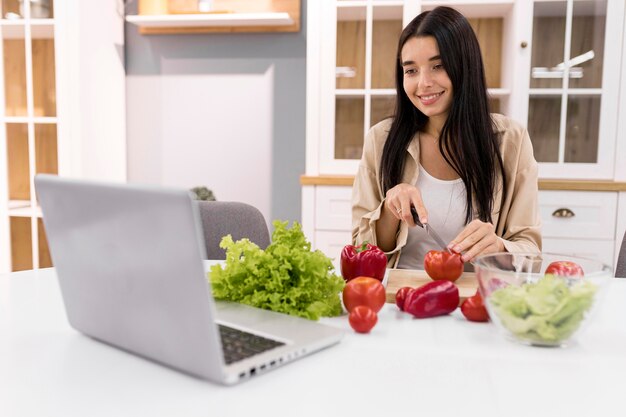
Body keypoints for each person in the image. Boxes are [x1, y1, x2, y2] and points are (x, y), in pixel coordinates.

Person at [351, 6, 541, 269]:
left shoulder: (510, 140)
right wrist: (389, 209)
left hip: (474, 300)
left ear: (465, 65)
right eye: (411, 70)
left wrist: (499, 247)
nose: (423, 83)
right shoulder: (380, 140)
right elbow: (360, 252)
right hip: (400, 296)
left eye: (438, 66)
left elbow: (531, 254)